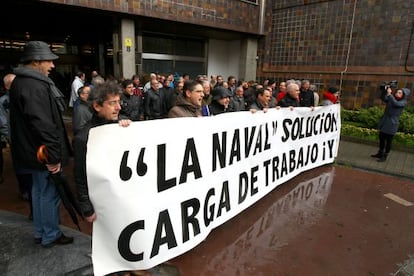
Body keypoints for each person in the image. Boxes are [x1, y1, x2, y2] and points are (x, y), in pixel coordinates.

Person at [9, 41, 73, 247]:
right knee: (49, 193)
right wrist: (53, 157)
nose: (52, 66)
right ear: (36, 61)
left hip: (33, 152)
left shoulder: (21, 82)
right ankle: (51, 234)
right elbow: (43, 125)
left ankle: (41, 231)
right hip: (42, 153)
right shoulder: (34, 85)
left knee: (38, 191)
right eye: (48, 61)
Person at [371, 87, 411, 162]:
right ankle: (380, 152)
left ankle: (385, 155)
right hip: (385, 120)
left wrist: (390, 94)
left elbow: (396, 103)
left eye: (400, 93)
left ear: (403, 95)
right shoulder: (391, 98)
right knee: (381, 138)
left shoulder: (403, 102)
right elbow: (383, 98)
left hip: (392, 123)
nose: (397, 94)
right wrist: (384, 91)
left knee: (388, 140)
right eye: (397, 92)